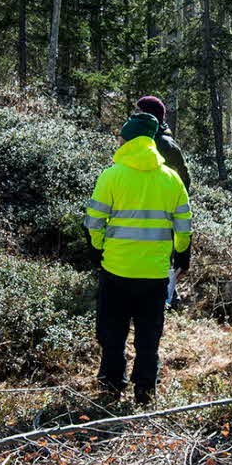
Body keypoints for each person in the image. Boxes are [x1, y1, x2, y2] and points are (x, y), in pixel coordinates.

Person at [84, 111, 193, 405]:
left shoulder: (111, 175)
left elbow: (94, 223)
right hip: (154, 274)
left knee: (112, 332)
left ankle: (110, 386)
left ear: (128, 139)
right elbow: (184, 228)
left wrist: (97, 249)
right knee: (148, 337)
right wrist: (182, 254)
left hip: (115, 269)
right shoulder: (171, 179)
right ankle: (144, 390)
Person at [133, 95, 192, 192]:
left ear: (149, 114)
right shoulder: (133, 138)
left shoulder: (165, 144)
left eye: (138, 111)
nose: (135, 114)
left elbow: (182, 180)